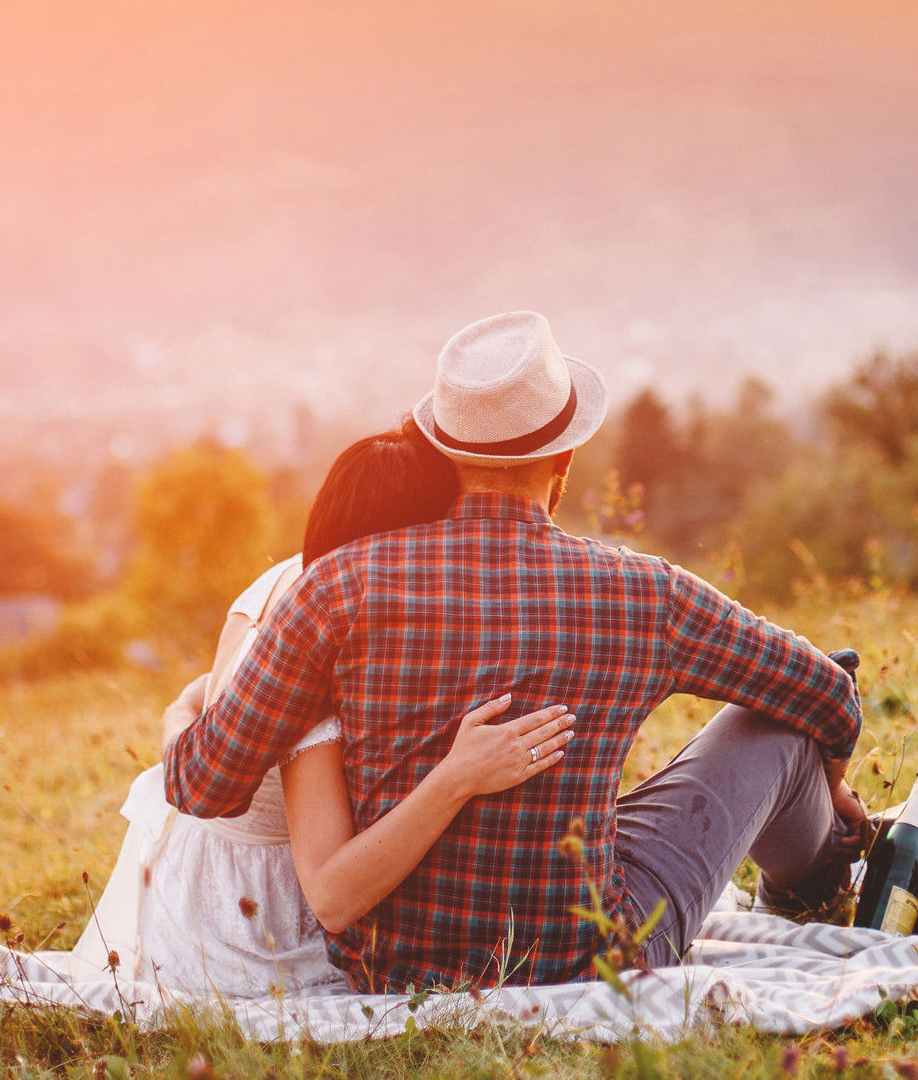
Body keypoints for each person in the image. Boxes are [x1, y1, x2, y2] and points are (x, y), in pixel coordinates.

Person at [168, 311, 868, 993]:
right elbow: (828, 693)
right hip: (587, 953)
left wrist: (179, 713)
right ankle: (812, 887)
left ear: (443, 449)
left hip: (393, 965)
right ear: (565, 455)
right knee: (774, 723)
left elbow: (203, 785)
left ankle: (814, 871)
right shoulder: (647, 592)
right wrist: (830, 785)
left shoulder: (335, 585)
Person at [80, 421, 577, 998]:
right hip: (255, 919)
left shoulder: (279, 582)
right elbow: (335, 895)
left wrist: (175, 719)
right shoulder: (327, 663)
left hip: (184, 871)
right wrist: (459, 777)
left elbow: (204, 693)